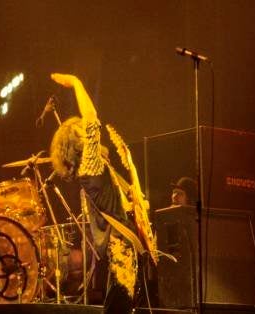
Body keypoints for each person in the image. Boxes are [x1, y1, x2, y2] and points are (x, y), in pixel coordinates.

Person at [48, 73, 157, 313]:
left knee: (123, 305)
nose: (86, 131)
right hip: (119, 247)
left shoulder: (99, 169)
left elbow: (122, 200)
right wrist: (76, 82)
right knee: (119, 305)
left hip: (124, 243)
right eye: (81, 130)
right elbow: (91, 119)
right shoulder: (89, 169)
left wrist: (137, 202)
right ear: (77, 142)